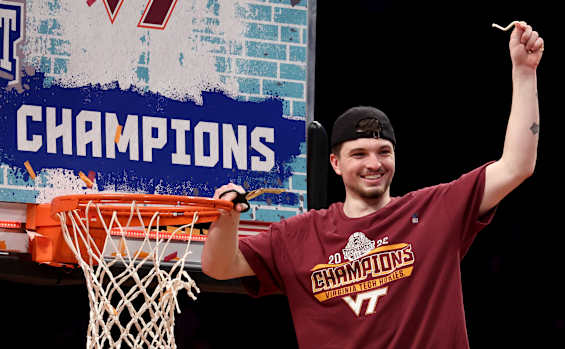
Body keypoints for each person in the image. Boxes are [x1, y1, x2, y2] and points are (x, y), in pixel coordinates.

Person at [202, 21, 543, 348]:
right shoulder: (300, 236)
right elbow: (220, 267)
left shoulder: (434, 209)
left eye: (384, 152)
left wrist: (524, 73)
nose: (374, 164)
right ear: (335, 163)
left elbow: (516, 166)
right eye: (359, 154)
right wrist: (227, 219)